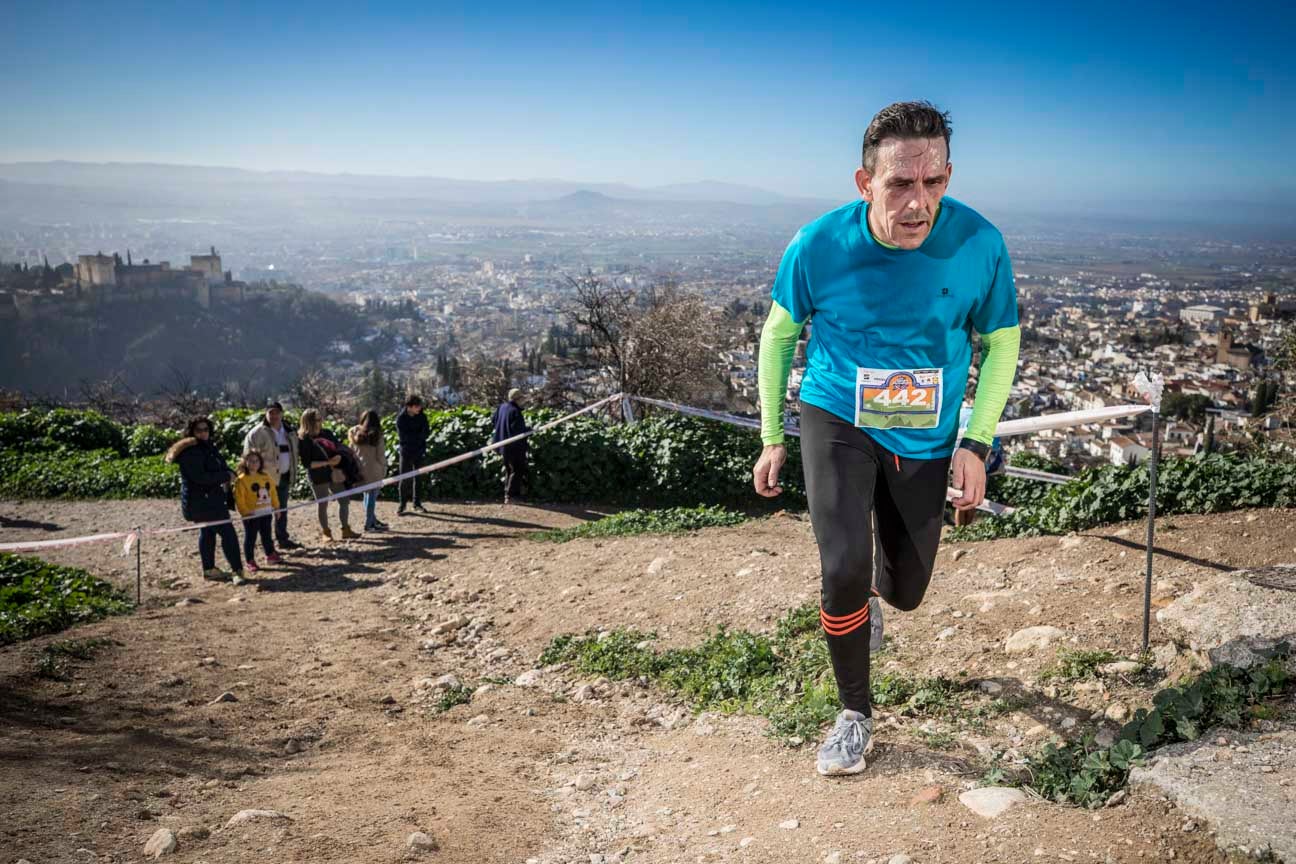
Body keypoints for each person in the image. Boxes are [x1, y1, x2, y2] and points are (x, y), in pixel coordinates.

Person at [752, 102, 1020, 776]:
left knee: (905, 590)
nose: (918, 203)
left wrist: (976, 443)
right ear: (864, 181)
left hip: (924, 435)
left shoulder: (980, 244)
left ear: (949, 176)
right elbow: (780, 335)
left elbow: (1003, 343)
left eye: (933, 183)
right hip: (837, 413)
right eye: (900, 184)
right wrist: (770, 435)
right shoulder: (817, 243)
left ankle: (871, 598)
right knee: (840, 568)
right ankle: (854, 714)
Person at [166, 416, 243, 581]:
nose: (203, 433)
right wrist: (225, 476)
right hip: (202, 502)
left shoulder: (208, 447)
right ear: (192, 432)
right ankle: (237, 571)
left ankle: (209, 569)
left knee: (207, 532)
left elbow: (220, 466)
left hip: (210, 499)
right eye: (199, 430)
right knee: (228, 534)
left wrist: (230, 473)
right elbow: (199, 477)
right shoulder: (190, 452)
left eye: (206, 429)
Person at [242, 401, 301, 549]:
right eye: (271, 412)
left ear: (282, 413)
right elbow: (247, 456)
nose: (274, 415)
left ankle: (282, 538)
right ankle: (266, 543)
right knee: (264, 511)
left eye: (276, 412)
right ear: (266, 414)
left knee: (282, 509)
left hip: (285, 475)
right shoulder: (256, 433)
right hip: (264, 480)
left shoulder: (290, 431)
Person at [298, 409, 359, 542]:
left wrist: (340, 455)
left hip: (334, 473)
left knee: (344, 500)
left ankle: (346, 529)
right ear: (309, 422)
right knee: (323, 504)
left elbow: (337, 447)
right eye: (318, 419)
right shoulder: (304, 440)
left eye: (321, 419)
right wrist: (327, 462)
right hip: (318, 476)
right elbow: (307, 464)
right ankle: (326, 532)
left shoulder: (327, 433)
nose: (321, 422)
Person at [233, 450, 281, 573]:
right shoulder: (241, 480)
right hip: (251, 515)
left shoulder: (265, 477)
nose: (254, 463)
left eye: (256, 461)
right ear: (245, 462)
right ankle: (250, 561)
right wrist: (245, 513)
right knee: (251, 538)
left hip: (266, 512)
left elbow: (273, 493)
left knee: (267, 535)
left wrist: (276, 507)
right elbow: (239, 498)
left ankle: (270, 555)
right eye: (251, 461)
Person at [349, 409, 388, 532]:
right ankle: (369, 524)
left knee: (367, 496)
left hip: (360, 469)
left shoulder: (354, 432)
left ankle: (373, 520)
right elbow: (380, 455)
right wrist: (384, 470)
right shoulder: (377, 435)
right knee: (371, 497)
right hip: (374, 469)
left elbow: (351, 451)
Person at [491, 388, 531, 504]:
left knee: (509, 470)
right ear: (517, 399)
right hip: (514, 447)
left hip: (502, 445)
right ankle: (512, 496)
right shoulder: (515, 411)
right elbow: (518, 431)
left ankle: (507, 493)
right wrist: (530, 430)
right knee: (517, 470)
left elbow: (493, 421)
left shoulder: (501, 407)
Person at [395, 395, 430, 515]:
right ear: (409, 407)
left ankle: (417, 503)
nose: (419, 408)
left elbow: (426, 432)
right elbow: (403, 437)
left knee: (418, 478)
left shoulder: (422, 416)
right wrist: (417, 438)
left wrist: (419, 440)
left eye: (420, 406)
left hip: (419, 450)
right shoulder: (401, 419)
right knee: (404, 478)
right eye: (416, 406)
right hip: (406, 452)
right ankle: (402, 504)